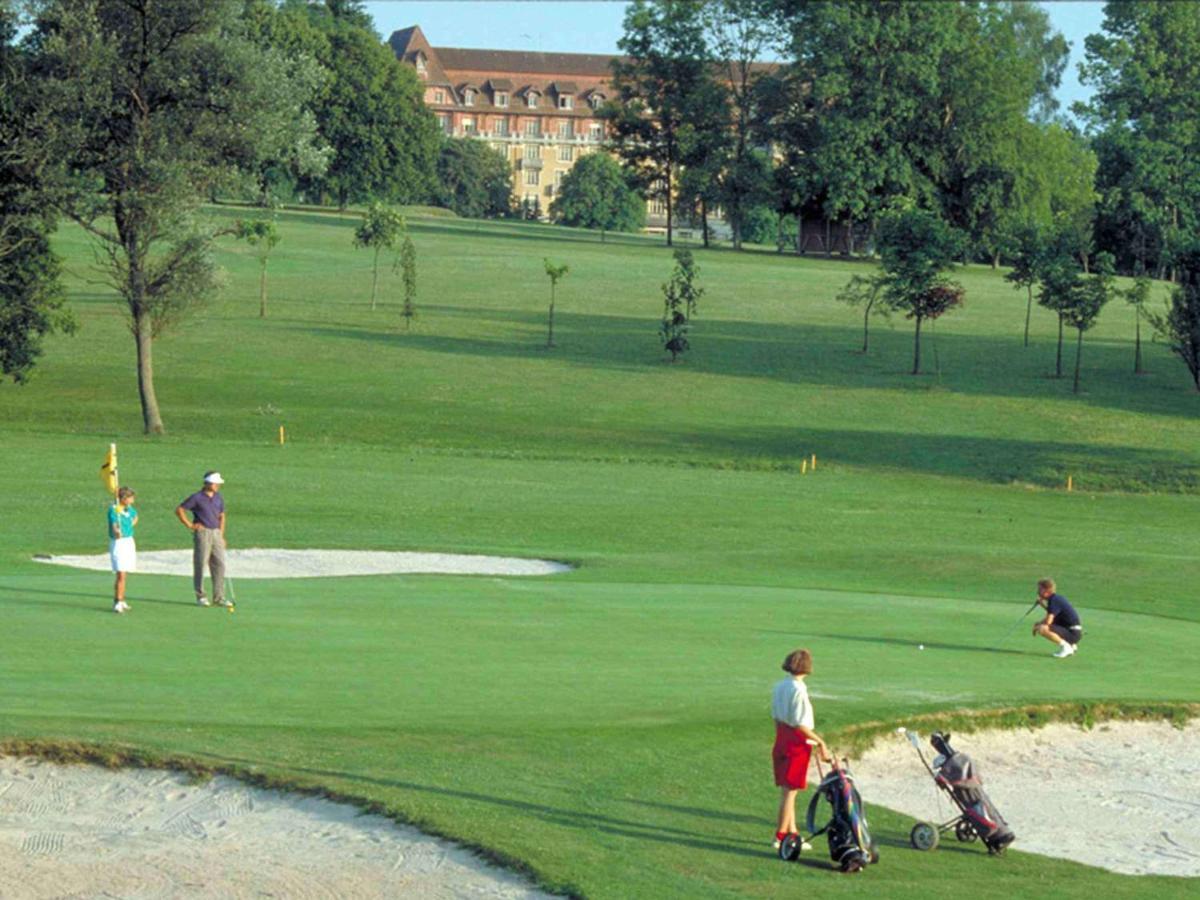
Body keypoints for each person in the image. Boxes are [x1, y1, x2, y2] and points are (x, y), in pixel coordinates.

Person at [771, 648, 831, 851]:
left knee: (788, 792)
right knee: (790, 794)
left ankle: (793, 833)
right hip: (795, 744)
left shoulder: (779, 686)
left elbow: (776, 717)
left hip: (781, 739)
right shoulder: (798, 690)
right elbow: (800, 724)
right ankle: (780, 836)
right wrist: (821, 742)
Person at [176, 471, 228, 607]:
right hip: (203, 532)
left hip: (216, 532)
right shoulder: (197, 497)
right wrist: (189, 525)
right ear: (209, 483)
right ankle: (201, 596)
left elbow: (222, 516)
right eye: (216, 483)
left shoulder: (218, 497)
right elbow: (180, 510)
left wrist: (221, 535)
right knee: (201, 563)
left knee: (219, 564)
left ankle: (219, 597)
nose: (218, 486)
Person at [1033, 578, 1083, 658]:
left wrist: (1038, 625)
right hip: (1072, 631)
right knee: (1042, 625)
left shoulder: (1054, 600)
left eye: (1040, 589)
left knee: (1042, 628)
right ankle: (1071, 645)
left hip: (1072, 633)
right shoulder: (1055, 598)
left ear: (1046, 590)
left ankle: (1066, 647)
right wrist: (1042, 604)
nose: (1038, 591)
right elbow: (1054, 613)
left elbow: (1049, 621)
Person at [108, 487, 138, 614]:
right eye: (130, 498)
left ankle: (121, 598)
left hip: (129, 541)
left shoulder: (128, 509)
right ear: (124, 498)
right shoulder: (114, 509)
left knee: (124, 573)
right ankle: (117, 601)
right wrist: (117, 531)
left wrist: (130, 524)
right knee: (120, 573)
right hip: (119, 543)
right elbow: (114, 523)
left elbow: (135, 516)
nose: (133, 500)